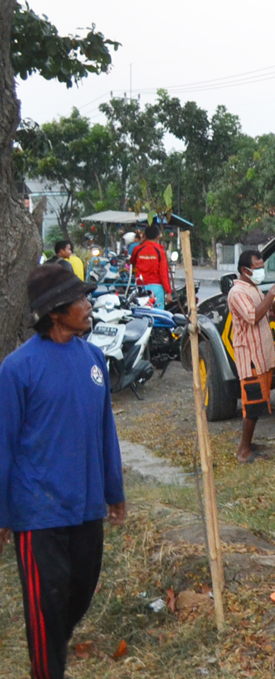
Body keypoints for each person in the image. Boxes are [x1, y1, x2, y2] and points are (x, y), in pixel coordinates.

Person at [0, 264, 126, 679]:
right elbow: (3, 444)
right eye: (80, 300)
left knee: (79, 594)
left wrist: (114, 489)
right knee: (45, 607)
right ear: (55, 312)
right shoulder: (18, 369)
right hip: (39, 515)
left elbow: (104, 428)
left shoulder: (93, 360)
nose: (89, 306)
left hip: (86, 507)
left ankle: (52, 647)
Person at [228, 250, 275, 463]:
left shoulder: (253, 288)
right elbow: (253, 316)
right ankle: (243, 450)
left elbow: (274, 312)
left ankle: (248, 444)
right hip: (250, 356)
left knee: (259, 401)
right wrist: (273, 290)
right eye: (258, 268)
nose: (262, 271)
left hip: (262, 354)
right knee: (252, 404)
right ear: (245, 270)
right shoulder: (237, 292)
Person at [130, 223, 173, 307]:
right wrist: (168, 292)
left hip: (141, 288)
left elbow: (132, 262)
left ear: (144, 236)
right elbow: (163, 273)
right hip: (156, 288)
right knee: (158, 315)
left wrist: (141, 243)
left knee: (141, 314)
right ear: (158, 236)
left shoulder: (137, 249)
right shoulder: (160, 251)